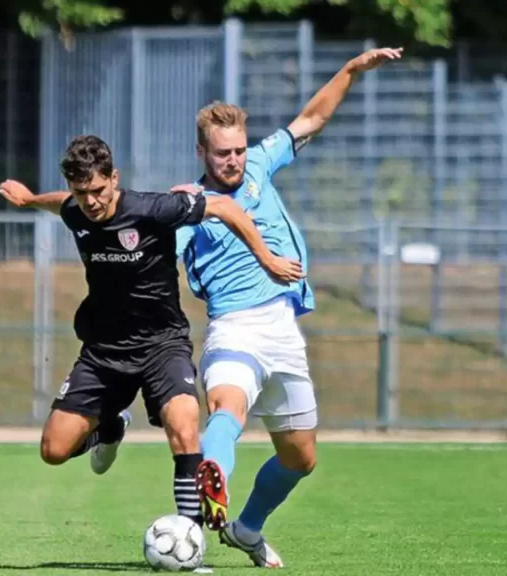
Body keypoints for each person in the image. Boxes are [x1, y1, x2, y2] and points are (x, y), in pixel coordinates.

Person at [0, 134, 304, 526]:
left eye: (98, 190)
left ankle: (190, 538)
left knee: (185, 424)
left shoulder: (153, 208)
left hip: (163, 344)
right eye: (82, 191)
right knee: (53, 450)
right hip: (104, 351)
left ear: (114, 179)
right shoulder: (77, 210)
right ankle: (110, 428)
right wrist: (29, 200)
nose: (90, 201)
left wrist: (268, 259)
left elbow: (225, 206)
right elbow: (62, 204)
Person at [172, 47, 403, 567]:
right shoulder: (187, 205)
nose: (232, 160)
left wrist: (350, 70)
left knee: (300, 458)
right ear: (200, 153)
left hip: (284, 332)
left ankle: (246, 528)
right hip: (234, 329)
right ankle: (213, 479)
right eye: (220, 153)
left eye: (236, 150)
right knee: (227, 408)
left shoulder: (259, 162)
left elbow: (313, 117)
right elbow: (145, 249)